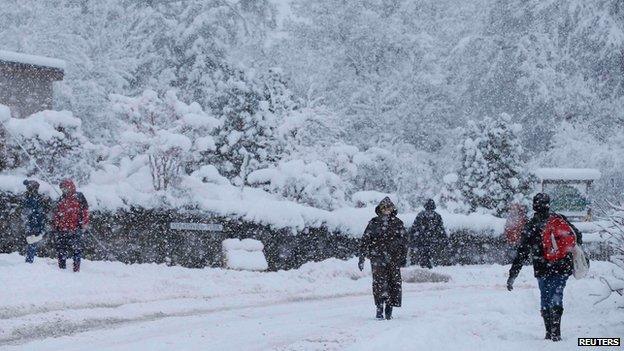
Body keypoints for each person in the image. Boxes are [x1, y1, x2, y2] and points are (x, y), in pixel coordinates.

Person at [506, 193, 583, 342]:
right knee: (557, 295)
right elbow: (577, 235)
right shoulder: (559, 219)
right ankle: (556, 332)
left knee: (546, 297)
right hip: (562, 266)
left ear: (534, 206)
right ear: (548, 205)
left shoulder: (531, 225)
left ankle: (549, 332)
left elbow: (522, 253)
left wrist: (512, 275)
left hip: (542, 268)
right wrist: (565, 250)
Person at [358, 197, 408, 320]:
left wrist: (403, 256)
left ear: (392, 209)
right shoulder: (373, 223)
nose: (386, 210)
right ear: (380, 209)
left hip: (394, 258)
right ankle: (379, 307)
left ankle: (389, 308)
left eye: (388, 207)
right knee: (379, 283)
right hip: (377, 258)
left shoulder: (398, 223)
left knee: (393, 282)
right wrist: (362, 257)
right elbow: (365, 240)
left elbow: (404, 241)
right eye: (384, 208)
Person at [52, 179, 89, 272]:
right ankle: (61, 268)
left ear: (70, 187)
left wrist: (84, 222)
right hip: (62, 228)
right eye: (62, 189)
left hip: (75, 228)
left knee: (77, 249)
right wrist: (56, 224)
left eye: (65, 188)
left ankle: (76, 269)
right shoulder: (61, 198)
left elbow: (85, 211)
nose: (64, 191)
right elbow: (57, 213)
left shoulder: (79, 197)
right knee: (61, 249)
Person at [409, 199, 448, 268]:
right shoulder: (436, 216)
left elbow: (414, 229)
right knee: (427, 258)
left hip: (424, 241)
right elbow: (440, 230)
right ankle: (427, 268)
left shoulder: (421, 215)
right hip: (429, 241)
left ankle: (425, 268)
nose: (429, 212)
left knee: (424, 258)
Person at [20, 180, 50, 263]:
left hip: (37, 221)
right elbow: (26, 211)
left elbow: (43, 210)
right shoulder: (27, 197)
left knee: (33, 240)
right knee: (31, 240)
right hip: (31, 221)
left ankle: (30, 259)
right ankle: (29, 259)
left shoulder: (38, 197)